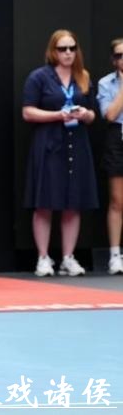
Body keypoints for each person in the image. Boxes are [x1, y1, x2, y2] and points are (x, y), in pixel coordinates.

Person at [22, 29, 97, 277]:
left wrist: (84, 114)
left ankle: (68, 257)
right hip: (49, 144)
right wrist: (57, 115)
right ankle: (43, 257)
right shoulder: (39, 77)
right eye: (63, 49)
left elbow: (93, 114)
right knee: (44, 202)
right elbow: (28, 112)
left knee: (73, 203)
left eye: (72, 48)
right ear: (53, 51)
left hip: (76, 143)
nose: (68, 53)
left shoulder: (83, 77)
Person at [96, 37, 123, 275]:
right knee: (117, 200)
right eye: (119, 55)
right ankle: (115, 254)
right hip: (117, 137)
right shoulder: (106, 83)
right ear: (113, 60)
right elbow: (110, 115)